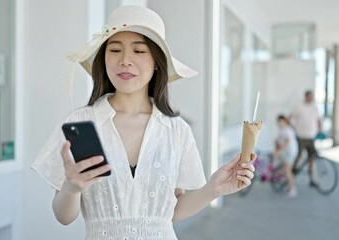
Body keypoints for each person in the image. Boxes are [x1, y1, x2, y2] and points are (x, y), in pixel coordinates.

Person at [31, 5, 255, 240]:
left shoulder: (176, 130)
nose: (125, 60)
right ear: (104, 59)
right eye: (115, 49)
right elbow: (63, 216)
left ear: (157, 61)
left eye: (139, 51)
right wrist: (72, 186)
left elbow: (171, 213)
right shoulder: (80, 123)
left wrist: (214, 189)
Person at [290, 90, 322, 187]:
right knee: (299, 156)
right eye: (309, 96)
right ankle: (291, 176)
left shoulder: (315, 107)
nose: (310, 98)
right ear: (306, 96)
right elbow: (291, 117)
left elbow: (318, 119)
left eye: (312, 97)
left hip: (311, 137)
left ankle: (312, 179)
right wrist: (293, 128)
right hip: (300, 136)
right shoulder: (299, 106)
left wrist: (320, 130)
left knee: (312, 158)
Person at [273, 115, 298, 197]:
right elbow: (277, 140)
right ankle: (289, 186)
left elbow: (288, 143)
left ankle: (292, 189)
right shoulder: (282, 130)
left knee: (287, 171)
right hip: (286, 152)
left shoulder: (287, 130)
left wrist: (278, 152)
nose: (279, 123)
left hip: (290, 152)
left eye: (280, 121)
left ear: (284, 121)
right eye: (278, 122)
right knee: (285, 169)